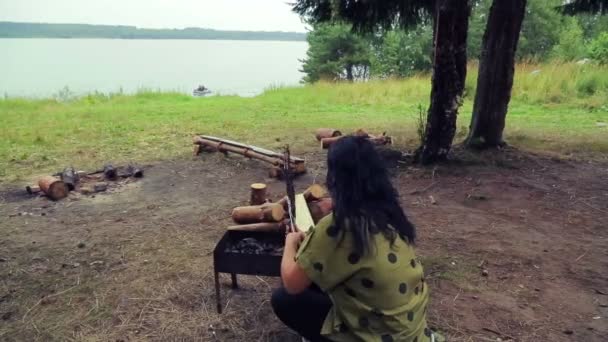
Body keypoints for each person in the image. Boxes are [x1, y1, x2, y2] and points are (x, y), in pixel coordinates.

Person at [272, 136, 437, 342]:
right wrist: (335, 204)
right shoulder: (388, 211)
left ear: (335, 177)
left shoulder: (338, 226)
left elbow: (292, 283)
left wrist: (290, 242)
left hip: (375, 335)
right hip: (408, 330)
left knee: (283, 300)